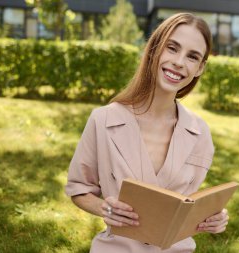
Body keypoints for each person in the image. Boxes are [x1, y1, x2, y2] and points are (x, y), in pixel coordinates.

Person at [65, 12, 230, 253]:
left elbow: (188, 205)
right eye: (172, 48)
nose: (179, 62)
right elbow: (79, 188)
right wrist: (105, 208)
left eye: (192, 56)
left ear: (200, 68)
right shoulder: (103, 119)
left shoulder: (200, 132)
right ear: (154, 50)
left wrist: (215, 217)